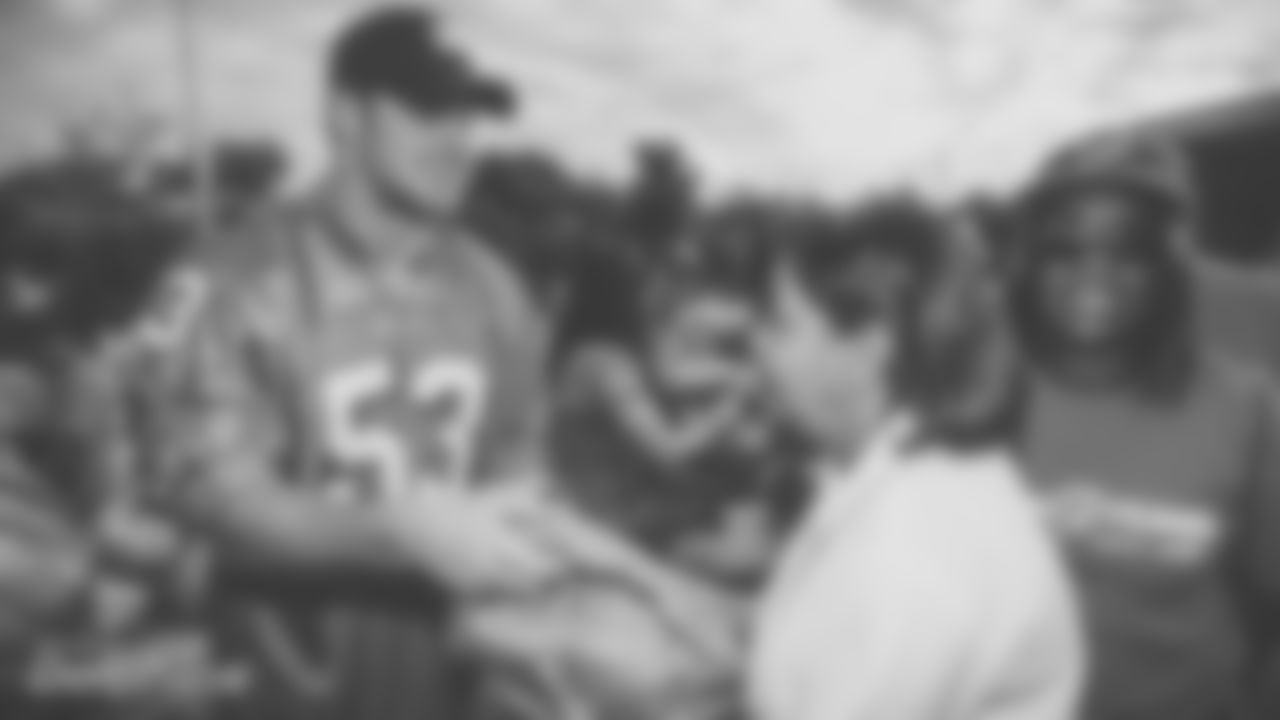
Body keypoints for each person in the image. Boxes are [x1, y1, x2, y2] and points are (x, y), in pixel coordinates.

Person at [142, 7, 739, 720]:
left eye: (470, 116)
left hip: (451, 685)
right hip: (285, 691)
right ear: (344, 116)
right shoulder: (232, 279)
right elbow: (210, 502)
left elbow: (522, 496)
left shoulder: (494, 286)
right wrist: (396, 534)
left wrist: (656, 584)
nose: (458, 142)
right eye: (428, 111)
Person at [747, 200, 1084, 720]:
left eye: (780, 323)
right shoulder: (912, 478)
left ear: (869, 347)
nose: (757, 344)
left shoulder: (907, 558)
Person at [1011, 139, 1280, 720]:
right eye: (1064, 247)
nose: (1094, 272)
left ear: (1167, 264)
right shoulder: (974, 396)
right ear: (1030, 259)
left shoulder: (1241, 405)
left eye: (1128, 247)